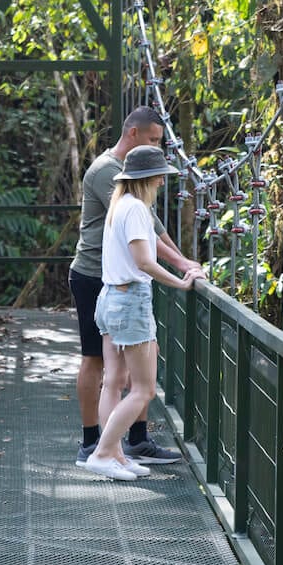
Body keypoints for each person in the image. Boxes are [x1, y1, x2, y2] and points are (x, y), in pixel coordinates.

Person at [69, 107, 201, 465]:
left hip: (117, 279)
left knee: (121, 375)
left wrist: (181, 260)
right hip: (97, 277)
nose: (158, 148)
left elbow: (149, 228)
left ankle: (131, 443)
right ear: (133, 134)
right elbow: (147, 236)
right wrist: (180, 267)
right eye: (155, 141)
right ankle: (93, 443)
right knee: (97, 363)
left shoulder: (129, 189)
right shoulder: (108, 173)